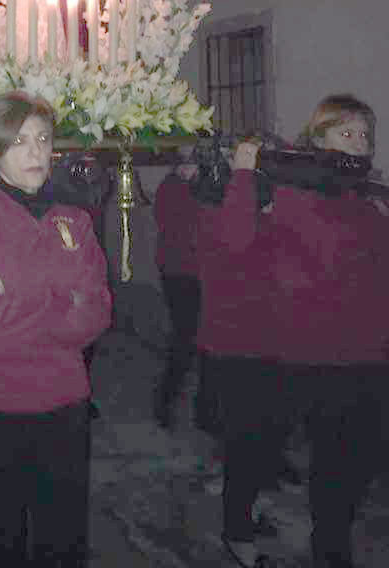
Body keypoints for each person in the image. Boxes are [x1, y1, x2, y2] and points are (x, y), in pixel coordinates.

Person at [200, 95, 389, 568]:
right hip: (294, 351)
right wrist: (244, 174)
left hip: (362, 356)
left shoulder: (365, 201)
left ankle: (331, 547)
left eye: (365, 135)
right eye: (346, 133)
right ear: (318, 138)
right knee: (256, 449)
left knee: (345, 467)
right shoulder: (285, 191)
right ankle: (237, 527)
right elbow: (234, 241)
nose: (359, 143)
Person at [0, 90, 112, 567]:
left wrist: (16, 297)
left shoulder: (73, 218)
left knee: (64, 542)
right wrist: (62, 302)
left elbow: (97, 312)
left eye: (43, 139)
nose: (37, 152)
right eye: (19, 142)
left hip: (63, 406)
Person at [152, 146, 201, 430]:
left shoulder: (200, 185)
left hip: (200, 271)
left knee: (200, 340)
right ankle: (166, 401)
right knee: (185, 338)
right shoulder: (171, 188)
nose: (189, 169)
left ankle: (205, 409)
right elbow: (176, 227)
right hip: (178, 272)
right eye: (185, 163)